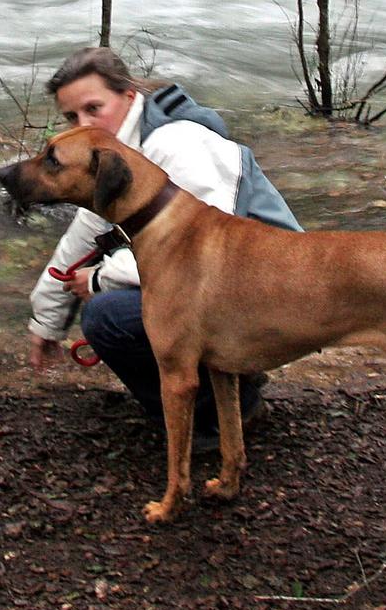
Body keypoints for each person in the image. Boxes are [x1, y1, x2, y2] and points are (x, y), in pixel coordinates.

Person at [23, 47, 301, 448]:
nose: (83, 124)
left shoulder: (180, 144)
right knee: (118, 302)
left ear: (129, 97)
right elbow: (81, 240)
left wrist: (102, 278)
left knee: (109, 317)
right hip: (232, 294)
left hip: (279, 295)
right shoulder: (114, 160)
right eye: (71, 117)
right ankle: (227, 381)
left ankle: (223, 414)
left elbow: (204, 257)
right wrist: (45, 323)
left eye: (93, 108)